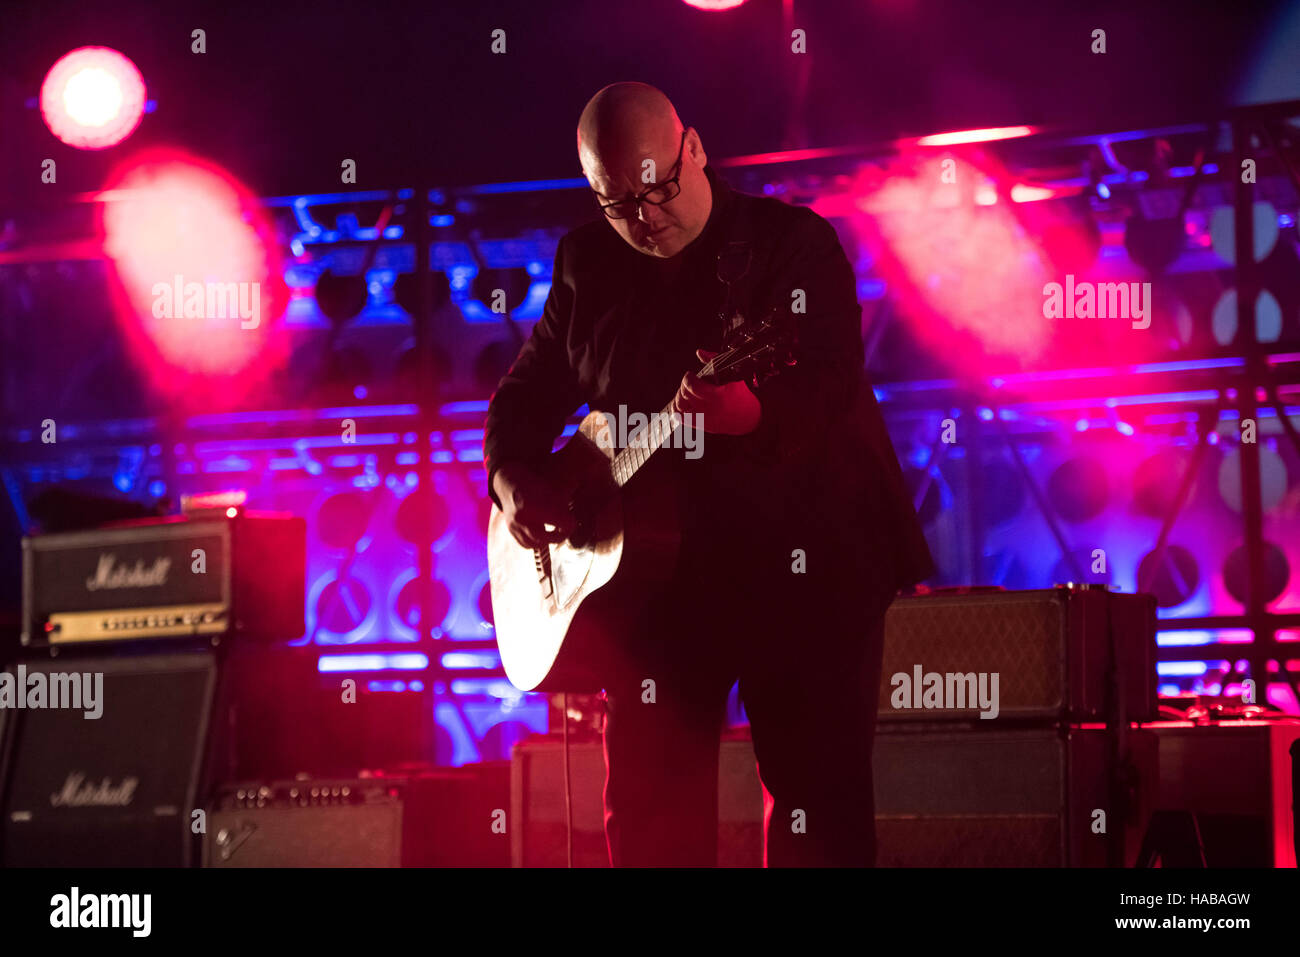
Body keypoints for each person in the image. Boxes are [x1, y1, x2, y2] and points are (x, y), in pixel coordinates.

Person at [484, 82, 933, 866]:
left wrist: (751, 414)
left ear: (693, 148)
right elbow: (527, 393)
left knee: (813, 812)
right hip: (658, 582)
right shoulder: (586, 260)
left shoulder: (792, 246)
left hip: (805, 564)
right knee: (652, 816)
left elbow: (831, 384)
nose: (644, 217)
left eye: (656, 189)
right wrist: (512, 477)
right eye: (617, 202)